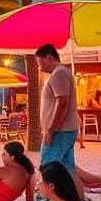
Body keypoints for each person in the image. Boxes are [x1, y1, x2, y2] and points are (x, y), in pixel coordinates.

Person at [34, 44, 81, 193]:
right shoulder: (62, 72)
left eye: (39, 62)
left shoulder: (59, 74)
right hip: (66, 129)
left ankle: (47, 200)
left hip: (59, 131)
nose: (39, 67)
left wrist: (52, 129)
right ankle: (77, 199)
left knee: (48, 167)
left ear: (48, 57)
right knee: (67, 168)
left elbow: (62, 102)